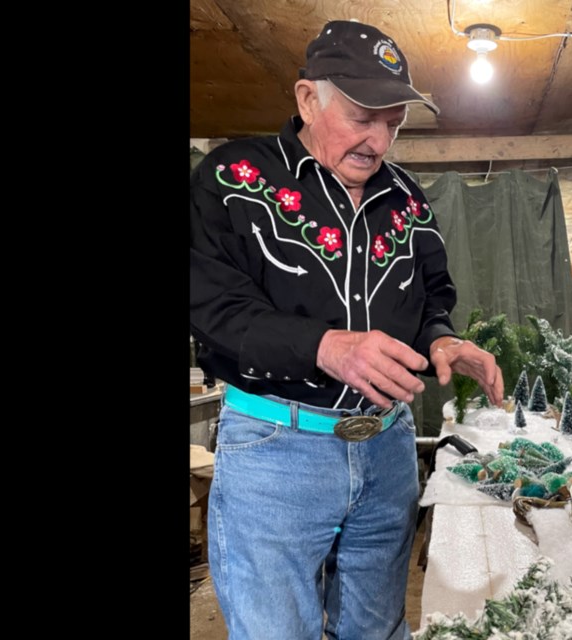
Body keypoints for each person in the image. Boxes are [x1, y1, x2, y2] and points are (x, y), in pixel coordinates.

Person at [190, 19, 503, 640]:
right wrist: (326, 346)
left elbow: (431, 297)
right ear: (309, 99)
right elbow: (212, 307)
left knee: (377, 628)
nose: (380, 140)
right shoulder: (232, 181)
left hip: (387, 448)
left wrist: (439, 338)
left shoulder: (410, 200)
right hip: (275, 454)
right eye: (364, 117)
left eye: (394, 122)